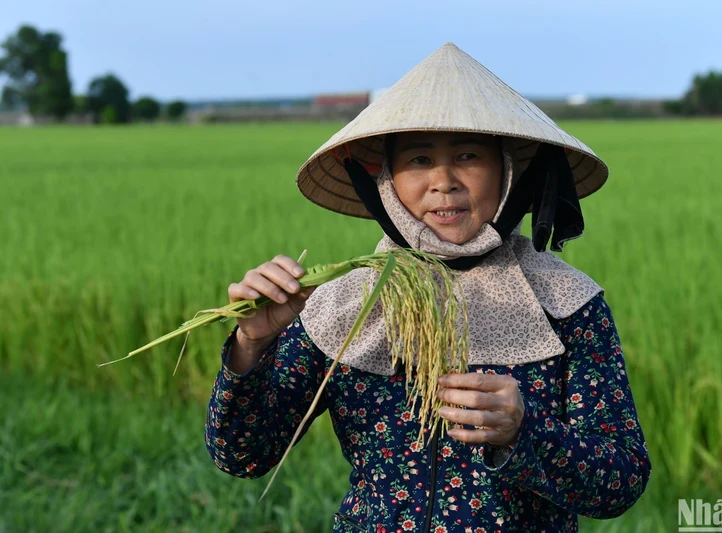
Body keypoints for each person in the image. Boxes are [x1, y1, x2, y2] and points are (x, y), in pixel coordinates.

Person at [205, 42, 651, 532]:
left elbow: (620, 482)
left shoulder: (566, 304)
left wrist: (524, 431)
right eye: (418, 159)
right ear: (386, 180)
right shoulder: (344, 302)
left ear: (506, 173)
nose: (444, 181)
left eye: (467, 155)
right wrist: (253, 341)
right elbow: (242, 455)